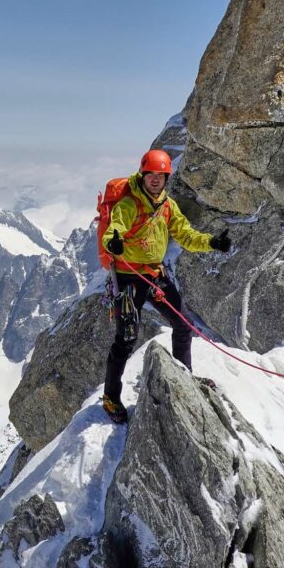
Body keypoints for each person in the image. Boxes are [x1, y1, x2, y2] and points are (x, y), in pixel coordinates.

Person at [100, 149, 231, 424]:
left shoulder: (167, 206)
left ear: (166, 177)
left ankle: (185, 378)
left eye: (161, 176)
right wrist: (113, 241)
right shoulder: (129, 204)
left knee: (183, 323)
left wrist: (212, 243)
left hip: (154, 274)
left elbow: (185, 234)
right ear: (144, 175)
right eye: (152, 175)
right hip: (127, 277)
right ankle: (111, 397)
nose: (156, 180)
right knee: (125, 340)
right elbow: (115, 228)